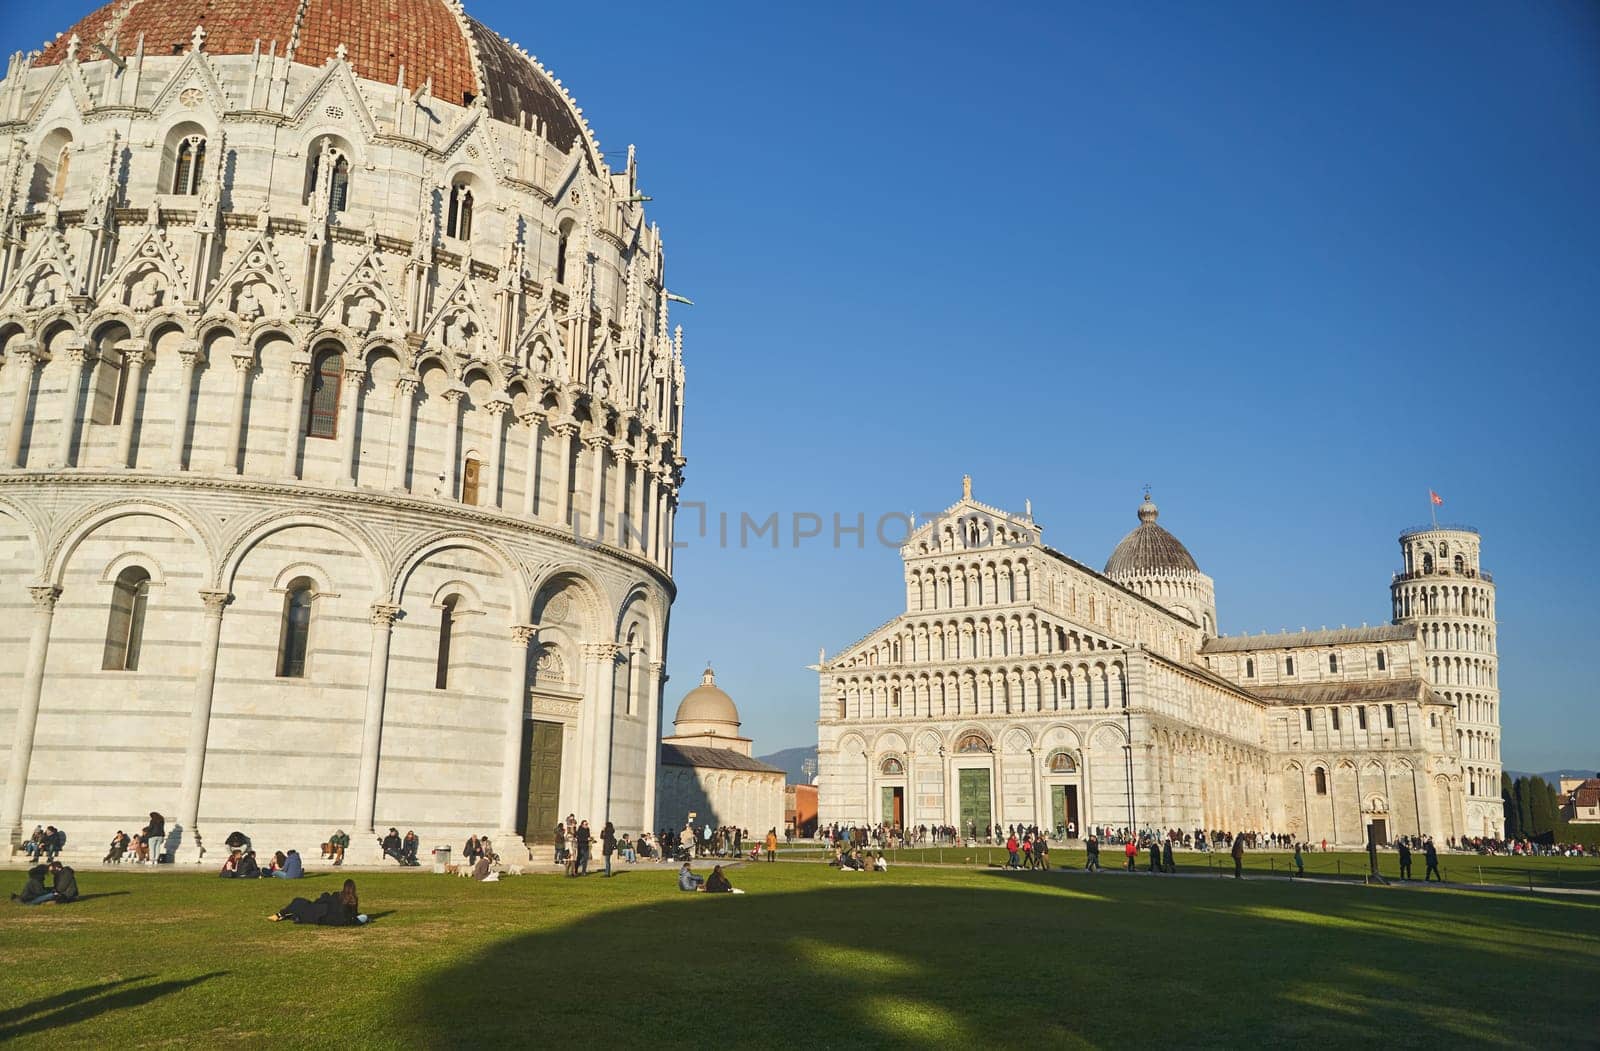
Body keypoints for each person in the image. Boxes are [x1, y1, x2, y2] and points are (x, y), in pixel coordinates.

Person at [269, 878, 365, 925]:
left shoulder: (337, 896)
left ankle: (281, 914)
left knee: (298, 902)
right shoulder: (353, 899)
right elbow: (355, 914)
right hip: (343, 920)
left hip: (324, 915)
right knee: (363, 917)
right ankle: (285, 914)